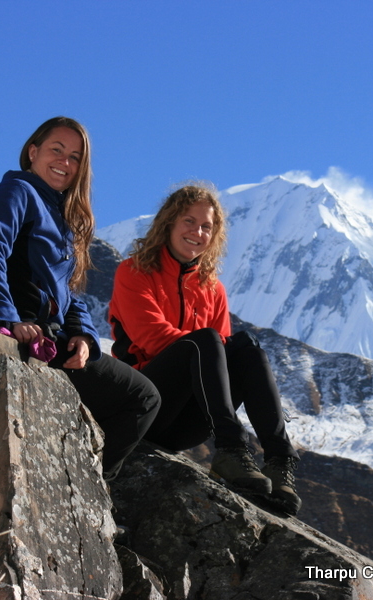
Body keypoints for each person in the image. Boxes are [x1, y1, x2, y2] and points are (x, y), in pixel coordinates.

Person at [0, 116, 160, 481]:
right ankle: (88, 493)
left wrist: (83, 336)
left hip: (51, 338)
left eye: (75, 158)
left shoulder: (62, 218)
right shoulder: (15, 193)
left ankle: (80, 491)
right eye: (57, 150)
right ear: (33, 152)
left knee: (142, 397)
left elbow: (65, 293)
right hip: (19, 331)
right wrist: (6, 319)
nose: (65, 162)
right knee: (141, 398)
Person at [108, 184, 302, 515]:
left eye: (207, 226)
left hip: (185, 425)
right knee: (208, 340)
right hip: (143, 409)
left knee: (248, 348)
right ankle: (230, 447)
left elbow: (224, 364)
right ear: (168, 222)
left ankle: (279, 462)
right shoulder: (134, 272)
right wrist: (208, 345)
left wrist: (220, 350)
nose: (197, 232)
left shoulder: (212, 288)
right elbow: (152, 337)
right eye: (188, 221)